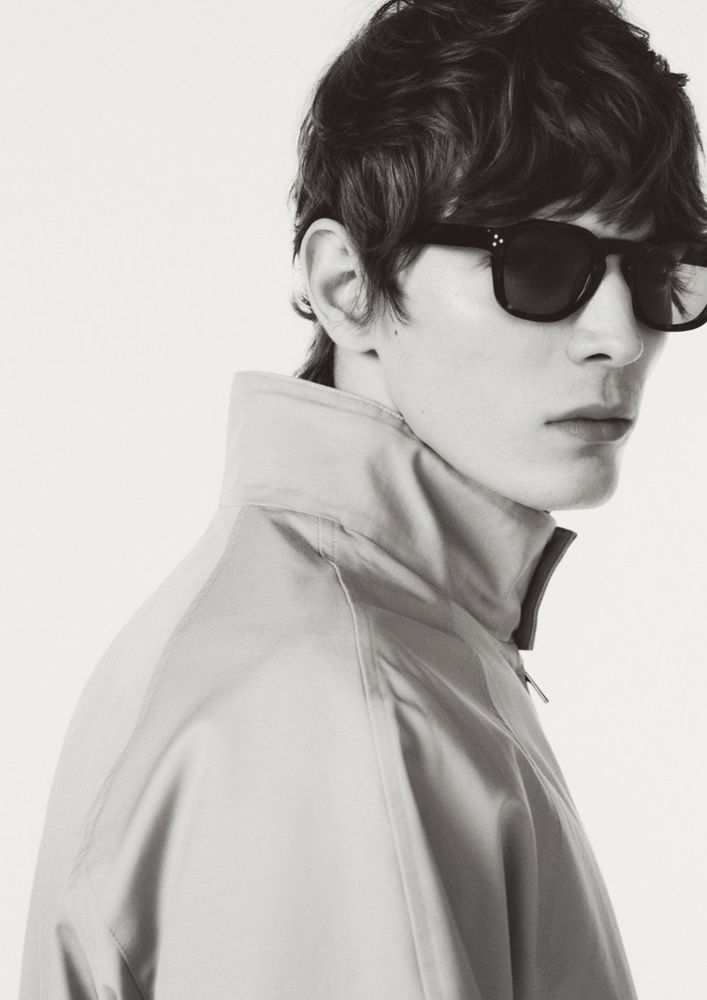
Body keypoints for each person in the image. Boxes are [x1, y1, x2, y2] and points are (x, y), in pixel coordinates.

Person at [19, 0, 707, 997]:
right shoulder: (348, 704)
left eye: (651, 269)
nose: (621, 335)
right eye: (539, 264)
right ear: (348, 285)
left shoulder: (338, 631)